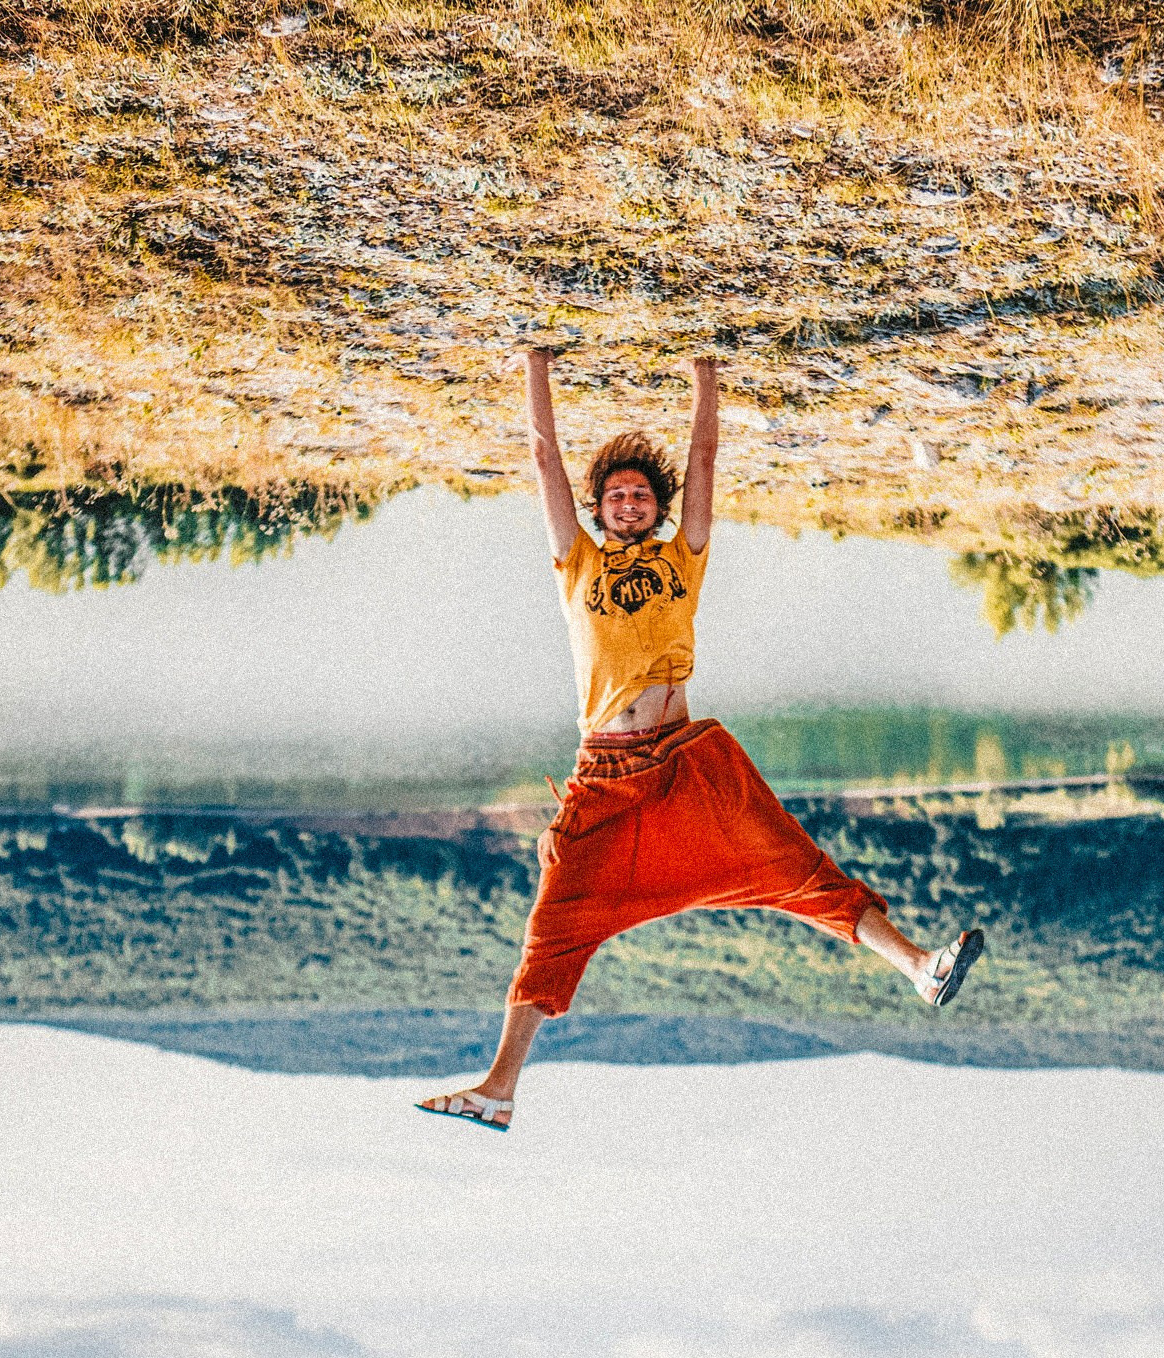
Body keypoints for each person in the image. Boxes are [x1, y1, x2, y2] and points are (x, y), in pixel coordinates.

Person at [416, 350, 983, 1131]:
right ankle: (499, 1087)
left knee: (792, 865)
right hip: (606, 778)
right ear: (597, 509)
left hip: (686, 763)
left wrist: (705, 377)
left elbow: (706, 459)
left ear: (657, 508)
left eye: (640, 495)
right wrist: (533, 365)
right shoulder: (575, 562)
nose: (628, 502)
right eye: (615, 495)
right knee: (553, 928)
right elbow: (543, 456)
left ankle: (920, 966)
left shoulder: (684, 559)